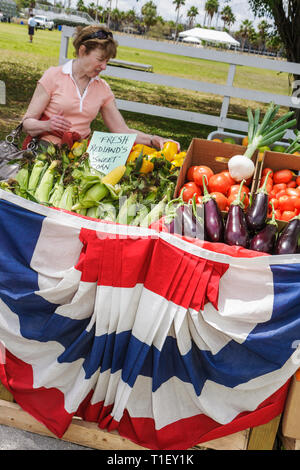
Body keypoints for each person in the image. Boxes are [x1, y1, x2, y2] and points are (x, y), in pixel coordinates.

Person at [22, 25, 180, 152]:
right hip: (43, 152)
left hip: (78, 155)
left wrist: (154, 140)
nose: (104, 67)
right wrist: (47, 125)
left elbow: (121, 130)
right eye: (100, 60)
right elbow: (26, 124)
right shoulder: (53, 76)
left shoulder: (102, 89)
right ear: (82, 51)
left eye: (107, 61)